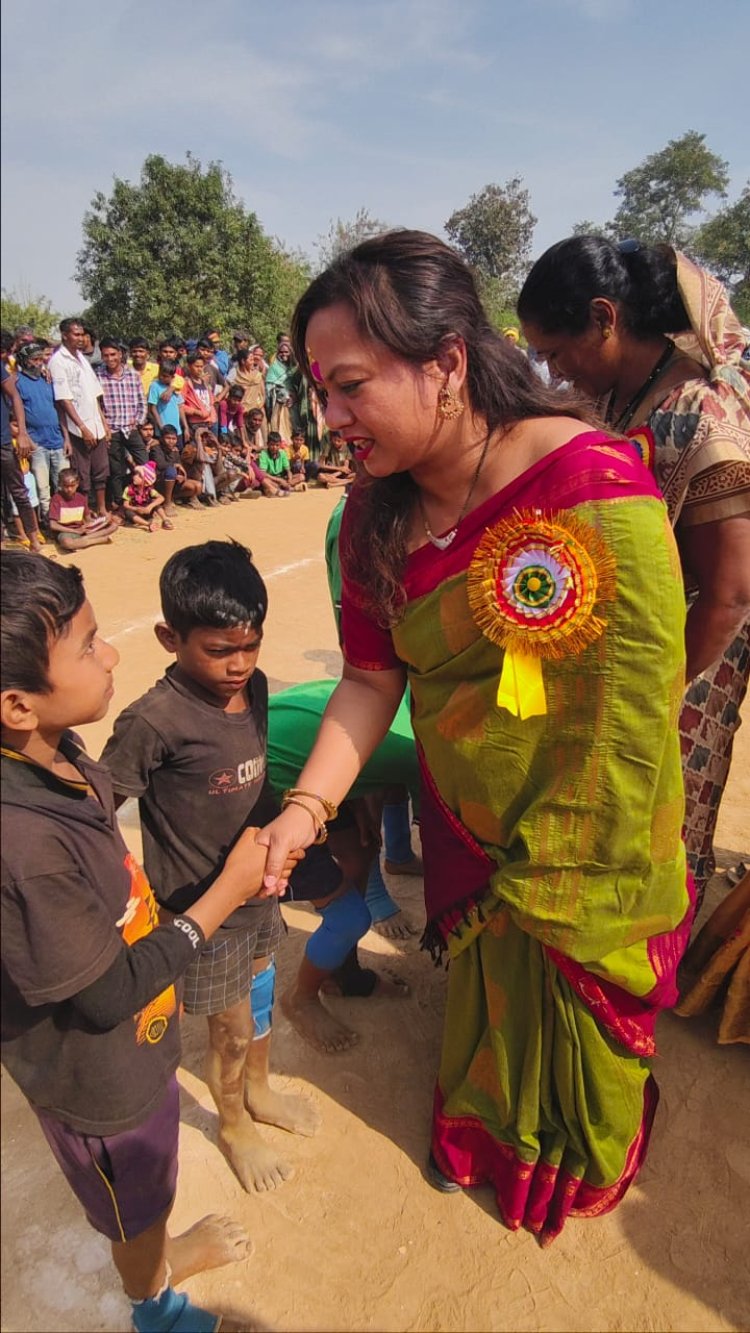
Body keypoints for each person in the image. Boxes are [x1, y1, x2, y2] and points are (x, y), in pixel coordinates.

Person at [256, 229, 694, 1244]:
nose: (329, 418)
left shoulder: (591, 482)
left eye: (350, 387)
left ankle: (577, 1148)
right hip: (467, 818)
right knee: (491, 989)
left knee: (573, 1009)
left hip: (589, 847)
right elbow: (373, 678)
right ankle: (489, 1126)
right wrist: (305, 809)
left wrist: (567, 839)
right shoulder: (374, 517)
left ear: (446, 362)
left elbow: (638, 706)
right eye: (320, 391)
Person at [0, 551, 291, 1332]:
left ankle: (164, 1249)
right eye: (89, 645)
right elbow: (103, 993)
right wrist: (222, 887)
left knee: (153, 1176)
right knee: (135, 1192)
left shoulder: (61, 757)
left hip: (157, 1012)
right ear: (18, 704)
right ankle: (154, 1302)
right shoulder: (29, 840)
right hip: (108, 1063)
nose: (111, 655)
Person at [518, 236, 750, 911]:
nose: (555, 373)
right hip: (627, 656)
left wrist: (655, 693)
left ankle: (656, 945)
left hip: (689, 658)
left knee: (661, 813)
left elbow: (731, 594)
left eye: (556, 353)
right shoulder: (622, 398)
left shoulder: (700, 412)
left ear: (604, 318)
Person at [101, 542, 323, 1194]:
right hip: (204, 911)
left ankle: (259, 1089)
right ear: (170, 637)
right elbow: (97, 809)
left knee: (260, 995)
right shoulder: (152, 722)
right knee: (228, 1027)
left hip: (261, 893)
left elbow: (258, 774)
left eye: (251, 646)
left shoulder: (254, 687)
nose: (239, 665)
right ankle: (233, 1125)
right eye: (220, 650)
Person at [49, 318, 111, 518]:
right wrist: (83, 428)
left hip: (96, 424)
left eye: (82, 334)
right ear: (64, 335)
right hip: (77, 428)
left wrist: (103, 423)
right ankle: (85, 511)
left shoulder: (82, 358)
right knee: (82, 472)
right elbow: (64, 399)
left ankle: (101, 508)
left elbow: (94, 395)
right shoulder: (58, 361)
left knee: (101, 469)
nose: (81, 338)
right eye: (76, 334)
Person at [13, 342, 70, 527]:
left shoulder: (48, 380)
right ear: (24, 361)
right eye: (34, 359)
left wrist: (66, 438)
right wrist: (28, 440)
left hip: (58, 440)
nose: (39, 363)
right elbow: (15, 415)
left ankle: (65, 518)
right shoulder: (17, 383)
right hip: (37, 443)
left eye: (40, 359)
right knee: (42, 488)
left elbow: (60, 409)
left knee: (63, 483)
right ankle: (48, 522)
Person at [1, 343, 43, 552]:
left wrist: (23, 433)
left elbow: (15, 397)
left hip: (3, 441)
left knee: (19, 491)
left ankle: (34, 540)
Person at [97, 338, 148, 510]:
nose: (110, 358)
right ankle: (120, 505)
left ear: (120, 354)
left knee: (144, 465)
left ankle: (146, 500)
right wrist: (104, 427)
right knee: (116, 470)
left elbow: (142, 401)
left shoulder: (132, 374)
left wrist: (138, 422)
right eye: (106, 355)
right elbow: (97, 404)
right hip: (111, 430)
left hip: (130, 428)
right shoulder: (98, 376)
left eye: (113, 354)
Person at [48, 468, 119, 550]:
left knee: (114, 525)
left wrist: (101, 521)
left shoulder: (81, 498)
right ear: (60, 485)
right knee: (67, 543)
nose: (69, 489)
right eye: (66, 486)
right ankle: (98, 540)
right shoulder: (56, 499)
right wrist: (75, 531)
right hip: (66, 532)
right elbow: (53, 525)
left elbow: (88, 519)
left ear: (77, 484)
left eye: (72, 486)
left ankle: (82, 540)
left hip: (82, 529)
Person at [150, 424, 202, 510]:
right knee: (171, 471)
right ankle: (167, 503)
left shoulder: (175, 450)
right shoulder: (156, 448)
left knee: (198, 486)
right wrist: (175, 466)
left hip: (173, 481)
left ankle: (172, 497)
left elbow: (179, 466)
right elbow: (160, 465)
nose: (171, 441)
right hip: (159, 481)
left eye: (173, 439)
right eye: (168, 438)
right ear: (162, 438)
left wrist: (181, 476)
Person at [147, 359, 190, 445]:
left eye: (165, 376)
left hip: (177, 431)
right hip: (163, 431)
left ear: (172, 377)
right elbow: (153, 408)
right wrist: (161, 427)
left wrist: (186, 427)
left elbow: (180, 407)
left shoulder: (175, 388)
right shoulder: (155, 386)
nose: (161, 377)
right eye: (160, 374)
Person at [122, 463, 172, 531]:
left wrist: (150, 507)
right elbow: (125, 505)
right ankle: (148, 524)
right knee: (127, 512)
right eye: (135, 474)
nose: (134, 476)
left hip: (147, 511)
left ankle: (165, 519)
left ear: (145, 481)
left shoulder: (149, 490)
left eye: (139, 476)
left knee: (155, 503)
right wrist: (136, 509)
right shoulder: (129, 489)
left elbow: (161, 498)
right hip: (136, 513)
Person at [182, 353, 218, 436]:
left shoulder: (204, 382)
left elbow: (211, 402)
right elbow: (180, 405)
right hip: (197, 423)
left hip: (211, 421)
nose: (199, 369)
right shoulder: (186, 383)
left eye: (201, 366)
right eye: (196, 366)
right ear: (189, 366)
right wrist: (196, 412)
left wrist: (212, 416)